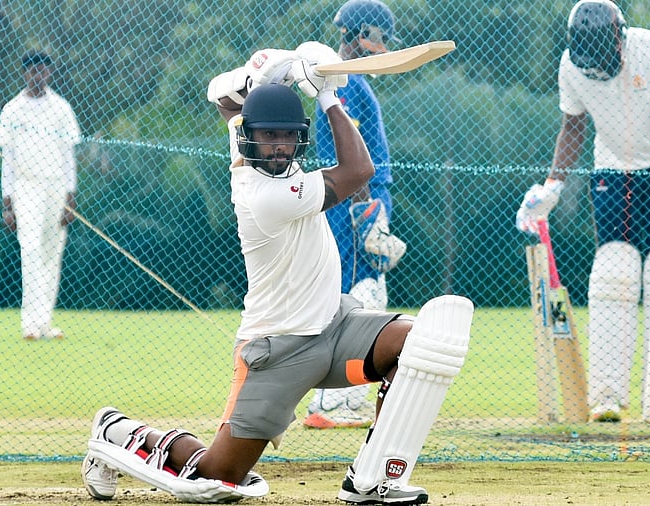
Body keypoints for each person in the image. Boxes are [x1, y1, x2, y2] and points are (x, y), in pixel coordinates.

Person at [81, 45, 472, 506]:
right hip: (278, 349)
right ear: (249, 135)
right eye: (269, 136)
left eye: (288, 136)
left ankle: (372, 480)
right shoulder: (266, 195)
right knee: (215, 478)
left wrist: (261, 74)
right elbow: (360, 171)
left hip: (335, 326)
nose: (279, 145)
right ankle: (117, 432)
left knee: (419, 342)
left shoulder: (255, 145)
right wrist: (327, 96)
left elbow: (220, 96)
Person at [515, 0, 650, 424]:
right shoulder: (570, 66)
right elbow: (573, 127)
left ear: (619, 36)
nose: (595, 67)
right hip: (612, 171)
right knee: (613, 274)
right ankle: (607, 397)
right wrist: (553, 187)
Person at [304, 0, 407, 430]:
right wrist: (367, 209)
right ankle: (334, 403)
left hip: (355, 201)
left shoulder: (349, 81)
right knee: (359, 293)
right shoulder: (346, 83)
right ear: (361, 34)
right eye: (379, 38)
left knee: (362, 291)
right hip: (353, 204)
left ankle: (338, 401)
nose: (384, 48)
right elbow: (353, 155)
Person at [0, 49, 81, 341]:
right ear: (24, 73)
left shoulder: (61, 108)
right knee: (29, 249)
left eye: (43, 70)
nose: (38, 75)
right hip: (25, 186)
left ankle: (45, 323)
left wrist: (71, 198)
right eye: (33, 70)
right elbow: (7, 158)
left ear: (50, 73)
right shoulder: (12, 109)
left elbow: (68, 156)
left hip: (56, 186)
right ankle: (29, 323)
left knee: (51, 253)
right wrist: (7, 203)